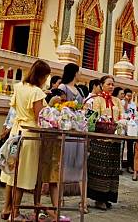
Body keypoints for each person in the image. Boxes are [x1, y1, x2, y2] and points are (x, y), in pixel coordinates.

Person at [0, 60, 58, 221]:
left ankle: (6, 208)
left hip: (16, 132)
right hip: (30, 134)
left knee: (12, 172)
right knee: (22, 174)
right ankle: (15, 212)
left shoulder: (19, 87)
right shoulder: (37, 93)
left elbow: (13, 108)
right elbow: (40, 117)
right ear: (42, 76)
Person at [88, 75, 124, 211]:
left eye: (112, 84)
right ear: (102, 85)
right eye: (108, 84)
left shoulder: (117, 101)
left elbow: (122, 115)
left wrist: (120, 123)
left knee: (112, 170)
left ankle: (108, 196)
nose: (111, 86)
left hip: (114, 138)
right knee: (100, 169)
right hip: (101, 139)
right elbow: (95, 116)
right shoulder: (96, 100)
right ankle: (99, 198)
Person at [58, 63, 86, 206]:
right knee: (64, 162)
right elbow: (58, 105)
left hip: (79, 128)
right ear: (74, 73)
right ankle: (60, 198)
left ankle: (83, 201)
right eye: (79, 72)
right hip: (67, 127)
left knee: (80, 164)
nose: (80, 74)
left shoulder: (79, 90)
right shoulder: (62, 88)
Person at [123, 88, 138, 173]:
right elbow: (124, 111)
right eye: (128, 95)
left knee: (130, 146)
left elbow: (135, 114)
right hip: (124, 124)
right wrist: (125, 102)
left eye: (130, 96)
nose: (129, 97)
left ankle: (130, 165)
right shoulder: (121, 102)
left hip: (131, 126)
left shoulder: (133, 104)